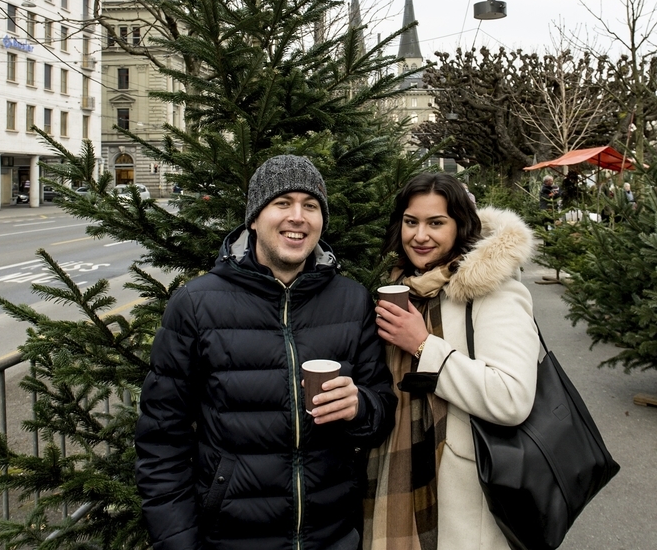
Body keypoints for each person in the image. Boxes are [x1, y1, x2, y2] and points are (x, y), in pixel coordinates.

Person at [136, 154, 398, 550]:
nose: (298, 216)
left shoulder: (352, 300)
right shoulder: (195, 304)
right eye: (282, 203)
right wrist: (177, 542)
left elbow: (381, 410)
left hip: (332, 536)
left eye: (310, 206)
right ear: (254, 218)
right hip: (232, 538)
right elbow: (161, 442)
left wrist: (360, 407)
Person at [366, 173, 540, 550]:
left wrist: (423, 345)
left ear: (460, 225)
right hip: (393, 474)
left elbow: (512, 398)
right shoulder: (401, 287)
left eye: (436, 223)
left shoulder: (496, 294)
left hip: (461, 492)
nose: (420, 236)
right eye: (411, 222)